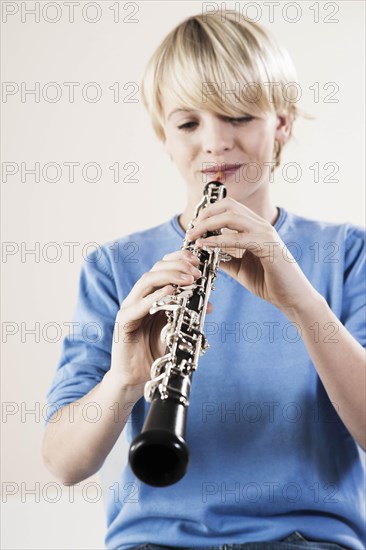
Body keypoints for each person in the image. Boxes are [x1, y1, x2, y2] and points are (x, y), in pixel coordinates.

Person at [42, 10, 365, 550]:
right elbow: (63, 464)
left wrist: (303, 304)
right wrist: (124, 377)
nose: (215, 144)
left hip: (307, 540)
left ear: (281, 122)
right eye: (188, 123)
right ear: (163, 137)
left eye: (238, 116)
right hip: (153, 542)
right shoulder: (115, 266)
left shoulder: (347, 253)